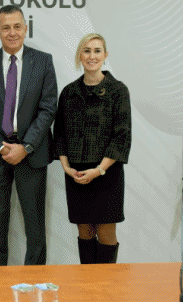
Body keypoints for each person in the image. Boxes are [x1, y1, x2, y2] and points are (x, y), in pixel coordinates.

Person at [0, 5, 57, 266]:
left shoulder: (43, 61)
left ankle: (36, 282)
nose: (12, 33)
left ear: (25, 29)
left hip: (32, 154)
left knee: (35, 229)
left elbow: (48, 108)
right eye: (6, 28)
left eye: (17, 26)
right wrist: (1, 147)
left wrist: (26, 146)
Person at [53, 33, 131, 264]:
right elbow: (60, 133)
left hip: (107, 174)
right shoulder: (68, 92)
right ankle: (87, 285)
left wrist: (99, 170)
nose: (92, 56)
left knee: (106, 235)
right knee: (85, 233)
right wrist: (66, 167)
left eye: (97, 51)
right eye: (86, 50)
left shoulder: (118, 90)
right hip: (76, 175)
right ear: (80, 55)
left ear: (105, 55)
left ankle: (107, 286)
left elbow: (122, 137)